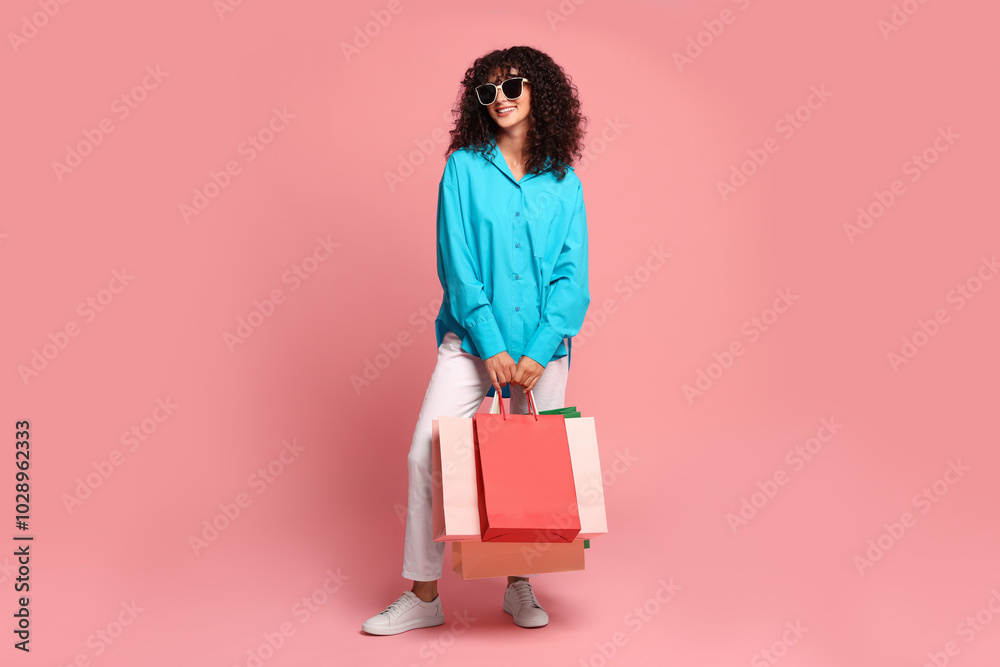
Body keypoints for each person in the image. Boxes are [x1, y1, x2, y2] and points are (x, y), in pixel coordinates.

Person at [362, 45, 590, 635]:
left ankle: (518, 585)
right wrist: (490, 346)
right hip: (471, 346)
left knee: (528, 471)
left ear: (539, 89)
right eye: (488, 93)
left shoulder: (564, 183)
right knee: (424, 454)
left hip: (542, 353)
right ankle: (423, 595)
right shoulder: (462, 168)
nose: (502, 99)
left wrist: (537, 352)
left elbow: (573, 279)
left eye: (512, 85)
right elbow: (457, 265)